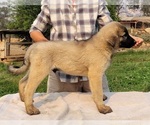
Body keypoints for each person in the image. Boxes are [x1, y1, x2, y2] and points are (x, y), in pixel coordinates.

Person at [29, 0, 143, 93]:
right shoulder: (50, 2)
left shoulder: (96, 1)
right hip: (61, 77)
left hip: (94, 74)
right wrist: (49, 49)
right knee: (60, 116)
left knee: (101, 116)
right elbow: (35, 30)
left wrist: (131, 39)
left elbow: (110, 27)